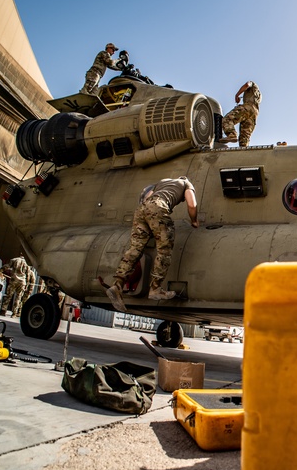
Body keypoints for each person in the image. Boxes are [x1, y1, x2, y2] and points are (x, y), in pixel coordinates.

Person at [105, 176, 200, 312]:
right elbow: (192, 203)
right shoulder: (186, 183)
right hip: (158, 208)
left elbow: (147, 197)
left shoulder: (163, 182)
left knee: (136, 248)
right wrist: (194, 220)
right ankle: (155, 288)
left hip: (142, 210)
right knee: (164, 249)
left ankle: (117, 284)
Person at [219, 81, 261, 147]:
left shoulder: (253, 84)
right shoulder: (258, 94)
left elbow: (247, 84)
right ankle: (244, 150)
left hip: (248, 107)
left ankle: (231, 134)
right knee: (244, 136)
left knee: (227, 119)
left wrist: (237, 95)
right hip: (255, 112)